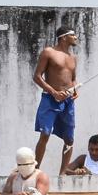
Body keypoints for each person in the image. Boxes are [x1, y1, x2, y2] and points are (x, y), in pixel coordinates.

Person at [32, 25, 78, 174]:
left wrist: (75, 90)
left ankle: (63, 173)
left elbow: (73, 79)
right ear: (64, 37)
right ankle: (35, 171)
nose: (76, 37)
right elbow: (37, 76)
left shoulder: (73, 58)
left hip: (68, 102)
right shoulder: (49, 52)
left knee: (69, 139)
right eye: (73, 35)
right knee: (45, 134)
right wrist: (54, 92)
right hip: (50, 99)